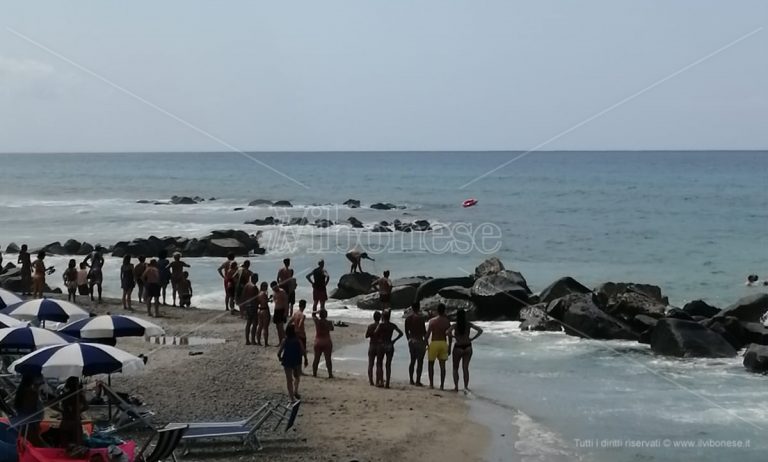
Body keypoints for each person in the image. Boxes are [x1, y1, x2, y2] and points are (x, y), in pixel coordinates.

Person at [447, 308, 483, 392]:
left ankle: (456, 387)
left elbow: (447, 332)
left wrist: (454, 337)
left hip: (458, 347)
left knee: (455, 368)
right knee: (465, 368)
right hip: (468, 346)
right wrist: (472, 338)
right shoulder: (468, 324)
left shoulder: (455, 325)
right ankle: (466, 387)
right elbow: (480, 330)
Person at [373, 309, 403, 388]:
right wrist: (394, 340)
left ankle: (381, 381)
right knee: (388, 365)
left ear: (383, 317)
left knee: (379, 363)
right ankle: (387, 383)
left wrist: (379, 338)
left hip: (382, 344)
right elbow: (401, 333)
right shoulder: (392, 325)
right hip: (389, 344)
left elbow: (375, 333)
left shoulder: (381, 325)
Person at [14, 373, 46, 447]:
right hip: (30, 423)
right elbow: (29, 409)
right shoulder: (31, 393)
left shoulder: (26, 391)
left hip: (30, 422)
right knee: (36, 443)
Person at [426, 303, 452, 390]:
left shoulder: (432, 321)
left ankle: (431, 384)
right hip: (443, 343)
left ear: (437, 311)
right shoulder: (447, 321)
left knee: (430, 364)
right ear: (444, 310)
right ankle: (442, 386)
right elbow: (450, 336)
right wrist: (450, 347)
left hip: (434, 343)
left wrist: (426, 344)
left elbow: (428, 334)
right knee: (442, 366)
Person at [278, 324, 304, 402]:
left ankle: (292, 398)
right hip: (296, 360)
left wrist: (280, 358)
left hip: (287, 360)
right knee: (297, 377)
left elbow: (279, 352)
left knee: (289, 380)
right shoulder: (298, 340)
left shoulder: (285, 340)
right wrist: (305, 358)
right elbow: (302, 350)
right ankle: (295, 391)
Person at [59, 377, 88, 447]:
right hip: (75, 421)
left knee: (64, 444)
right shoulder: (79, 396)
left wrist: (62, 411)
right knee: (78, 444)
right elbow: (86, 407)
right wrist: (79, 411)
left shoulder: (65, 395)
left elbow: (51, 404)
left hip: (66, 421)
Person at [405, 301, 428, 386]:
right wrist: (426, 342)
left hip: (412, 340)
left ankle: (411, 380)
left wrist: (409, 339)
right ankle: (417, 381)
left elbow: (406, 331)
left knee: (412, 360)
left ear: (412, 307)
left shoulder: (408, 318)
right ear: (418, 308)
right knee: (420, 361)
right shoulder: (420, 318)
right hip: (419, 341)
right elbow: (423, 331)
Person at [311, 309, 334, 378]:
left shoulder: (317, 321)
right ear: (326, 315)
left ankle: (314, 373)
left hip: (318, 341)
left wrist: (317, 312)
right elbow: (332, 329)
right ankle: (330, 374)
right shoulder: (329, 322)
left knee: (316, 359)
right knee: (328, 359)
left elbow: (313, 314)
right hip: (326, 341)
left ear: (320, 315)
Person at [289, 299, 309, 369]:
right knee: (301, 352)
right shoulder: (302, 315)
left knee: (296, 351)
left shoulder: (295, 313)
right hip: (301, 335)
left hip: (294, 334)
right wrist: (298, 330)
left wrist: (293, 330)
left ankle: (295, 367)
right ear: (304, 306)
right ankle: (299, 369)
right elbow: (300, 324)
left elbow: (290, 322)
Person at [365, 311, 382, 386]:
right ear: (380, 318)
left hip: (372, 345)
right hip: (379, 346)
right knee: (379, 364)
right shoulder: (381, 326)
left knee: (370, 364)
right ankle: (378, 381)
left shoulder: (370, 326)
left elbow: (366, 336)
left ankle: (371, 381)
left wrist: (372, 334)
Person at [242, 274, 259, 345]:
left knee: (248, 323)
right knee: (255, 323)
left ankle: (247, 340)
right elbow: (256, 298)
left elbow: (243, 296)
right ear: (256, 279)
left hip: (247, 305)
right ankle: (252, 340)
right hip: (253, 306)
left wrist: (243, 307)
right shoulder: (254, 287)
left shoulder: (246, 285)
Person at [255, 282, 270, 346]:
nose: (267, 288)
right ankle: (266, 343)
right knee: (265, 327)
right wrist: (269, 299)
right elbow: (265, 302)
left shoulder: (259, 293)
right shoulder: (264, 293)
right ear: (264, 286)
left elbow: (260, 302)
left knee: (260, 326)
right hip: (265, 310)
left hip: (259, 309)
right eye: (266, 286)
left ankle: (258, 341)